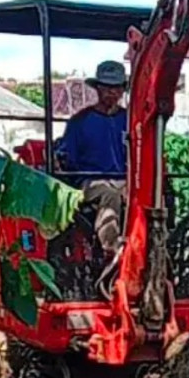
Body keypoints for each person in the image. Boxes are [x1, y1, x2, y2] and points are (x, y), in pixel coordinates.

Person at [55, 60, 128, 261]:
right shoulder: (80, 121)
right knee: (109, 193)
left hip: (124, 179)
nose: (112, 93)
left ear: (123, 90)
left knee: (148, 196)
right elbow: (67, 160)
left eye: (117, 88)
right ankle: (111, 249)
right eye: (107, 88)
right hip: (90, 182)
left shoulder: (130, 120)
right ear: (98, 88)